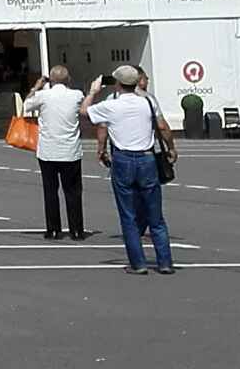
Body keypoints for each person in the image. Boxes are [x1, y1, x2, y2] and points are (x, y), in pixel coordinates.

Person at [85, 65, 176, 274]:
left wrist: (92, 92)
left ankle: (138, 263)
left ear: (118, 83)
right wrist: (171, 147)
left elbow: (86, 114)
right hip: (147, 158)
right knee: (156, 216)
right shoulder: (148, 101)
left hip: (123, 158)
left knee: (128, 214)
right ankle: (165, 262)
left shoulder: (112, 104)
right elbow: (162, 127)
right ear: (138, 81)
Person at [22, 65, 87, 240]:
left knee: (50, 191)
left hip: (48, 151)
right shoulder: (77, 95)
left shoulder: (43, 96)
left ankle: (53, 229)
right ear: (68, 79)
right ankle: (76, 229)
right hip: (70, 150)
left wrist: (36, 87)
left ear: (50, 80)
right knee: (73, 192)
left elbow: (26, 105)